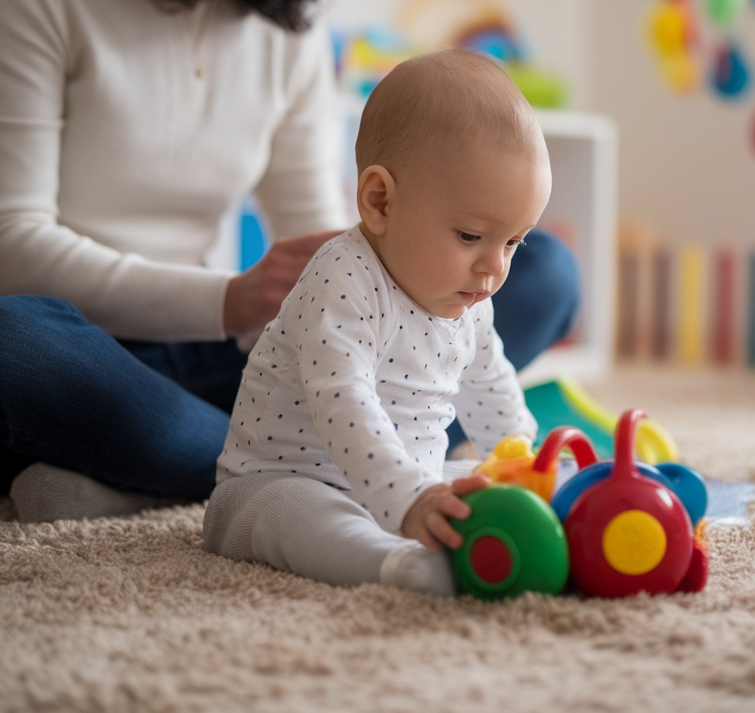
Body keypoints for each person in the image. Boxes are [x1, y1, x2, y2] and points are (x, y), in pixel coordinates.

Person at [0, 0, 579, 523]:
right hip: (84, 355)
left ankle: (167, 474)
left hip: (248, 363)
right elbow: (0, 247)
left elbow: (343, 233)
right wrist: (231, 299)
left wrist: (357, 283)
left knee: (539, 271)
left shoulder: (286, 25)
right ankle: (269, 469)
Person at [203, 49, 544, 595]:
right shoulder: (344, 278)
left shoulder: (471, 295)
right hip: (284, 484)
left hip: (404, 485)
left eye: (513, 242)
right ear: (380, 201)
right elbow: (344, 401)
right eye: (470, 236)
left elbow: (490, 386)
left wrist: (526, 470)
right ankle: (393, 567)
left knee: (473, 488)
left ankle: (409, 524)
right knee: (307, 520)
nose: (495, 267)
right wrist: (406, 499)